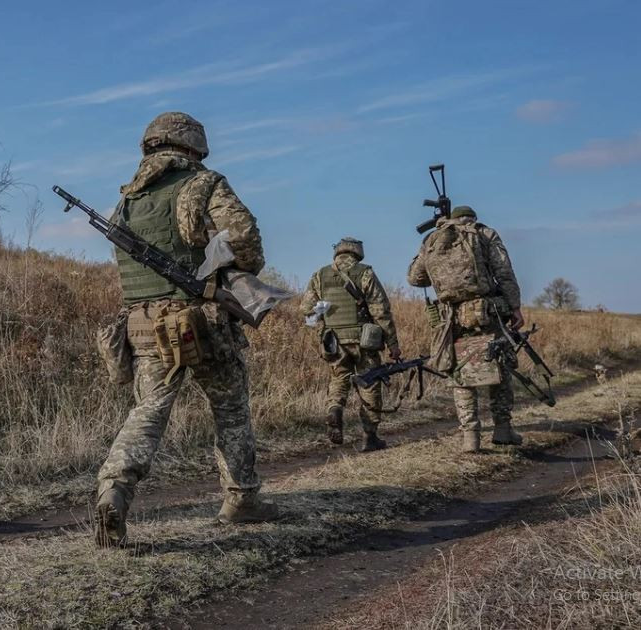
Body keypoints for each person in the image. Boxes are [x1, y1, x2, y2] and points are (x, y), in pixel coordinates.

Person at [94, 112, 279, 548]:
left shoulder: (127, 201)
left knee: (149, 411)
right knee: (230, 405)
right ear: (194, 148)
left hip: (143, 326)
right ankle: (241, 498)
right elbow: (246, 238)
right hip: (201, 321)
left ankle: (114, 490)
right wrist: (237, 270)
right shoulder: (203, 184)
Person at [407, 205, 525, 453]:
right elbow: (504, 272)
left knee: (459, 373)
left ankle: (470, 437)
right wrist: (515, 307)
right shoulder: (484, 234)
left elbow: (415, 278)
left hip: (450, 318)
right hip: (488, 313)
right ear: (472, 219)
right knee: (499, 365)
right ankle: (503, 429)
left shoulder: (433, 239)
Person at [301, 238, 400, 452]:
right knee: (370, 383)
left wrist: (322, 327)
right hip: (364, 339)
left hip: (333, 341)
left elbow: (307, 309)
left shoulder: (320, 275)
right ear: (358, 253)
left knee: (339, 378)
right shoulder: (365, 273)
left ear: (337, 253)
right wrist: (392, 343)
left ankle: (335, 408)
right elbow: (380, 310)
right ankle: (370, 436)